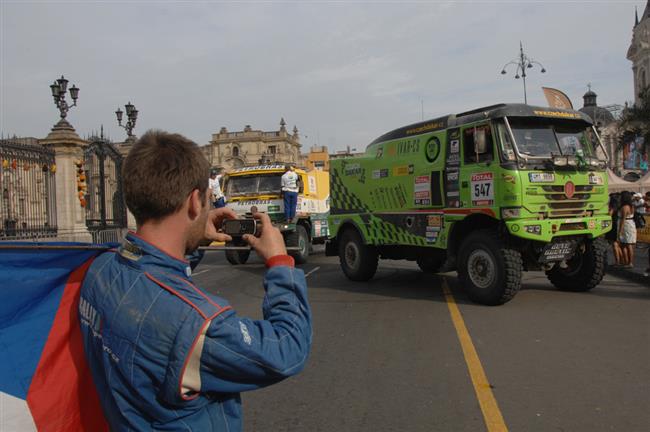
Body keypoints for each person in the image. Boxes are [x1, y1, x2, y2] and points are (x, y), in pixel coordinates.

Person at [79, 130, 312, 431]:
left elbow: (156, 275)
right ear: (193, 201)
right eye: (206, 201)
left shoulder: (99, 271)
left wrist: (191, 237)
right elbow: (287, 349)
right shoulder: (195, 325)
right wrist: (280, 262)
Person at [617, 191, 637, 268]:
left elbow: (623, 219)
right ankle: (627, 262)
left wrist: (620, 230)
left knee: (627, 245)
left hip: (626, 225)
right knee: (625, 244)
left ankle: (629, 262)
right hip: (630, 224)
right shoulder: (631, 206)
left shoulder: (625, 207)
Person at [606, 193, 622, 266]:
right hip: (618, 224)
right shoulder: (620, 206)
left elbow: (610, 214)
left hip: (613, 225)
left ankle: (617, 261)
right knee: (618, 244)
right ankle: (621, 260)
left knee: (614, 244)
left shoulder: (612, 207)